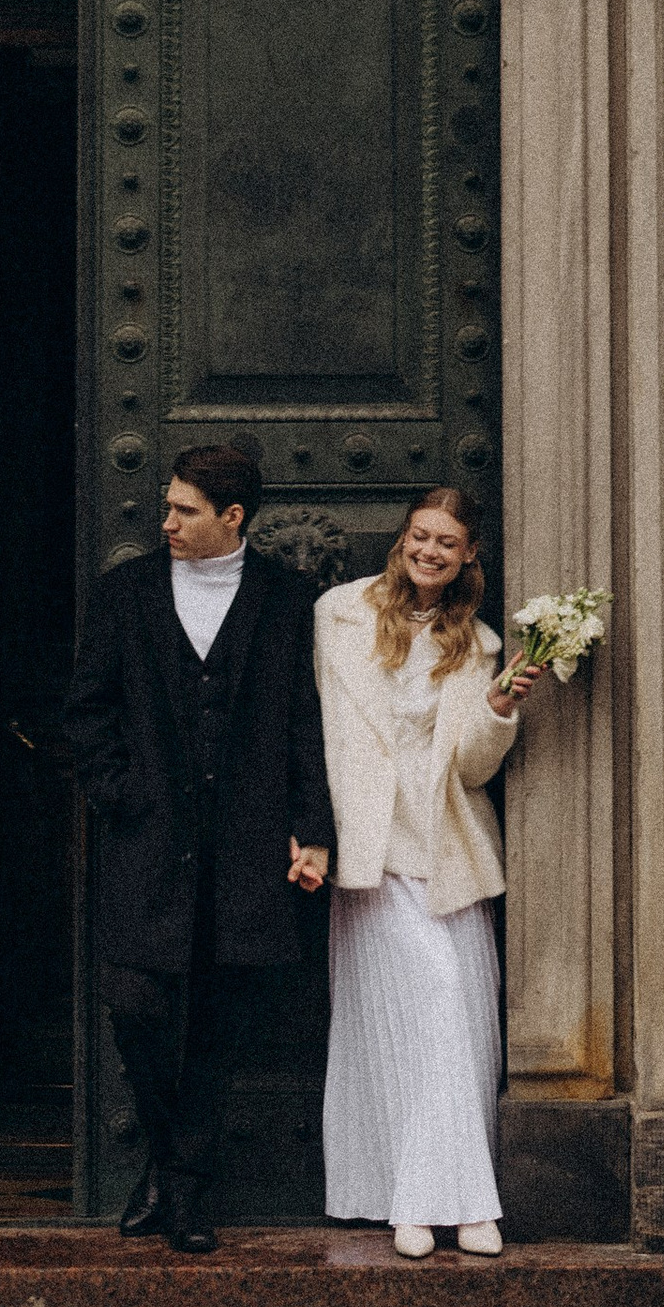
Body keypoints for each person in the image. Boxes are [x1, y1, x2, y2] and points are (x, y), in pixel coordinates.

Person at [61, 439, 336, 1254]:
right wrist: (122, 792)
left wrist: (312, 828)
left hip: (248, 848)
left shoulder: (288, 600)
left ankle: (182, 1190)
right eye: (166, 505)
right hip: (146, 844)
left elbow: (306, 725)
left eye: (184, 509)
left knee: (218, 1020)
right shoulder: (126, 592)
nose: (167, 521)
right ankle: (173, 1157)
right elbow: (86, 712)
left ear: (233, 518)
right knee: (135, 1004)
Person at [315, 485, 538, 1258]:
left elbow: (474, 770)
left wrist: (502, 706)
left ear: (469, 554)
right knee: (415, 1021)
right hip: (370, 851)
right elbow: (305, 732)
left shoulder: (475, 643)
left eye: (446, 542)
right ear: (403, 539)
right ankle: (414, 1200)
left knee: (462, 1027)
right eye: (419, 536)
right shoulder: (337, 613)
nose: (429, 551)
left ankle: (454, 1203)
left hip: (445, 853)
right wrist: (309, 834)